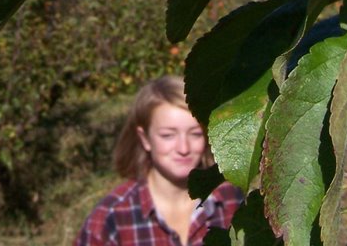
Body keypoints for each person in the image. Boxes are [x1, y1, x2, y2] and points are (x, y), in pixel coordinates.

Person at [75, 75, 243, 245]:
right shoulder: (112, 217)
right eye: (168, 135)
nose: (183, 148)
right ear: (145, 138)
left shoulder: (232, 201)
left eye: (195, 134)